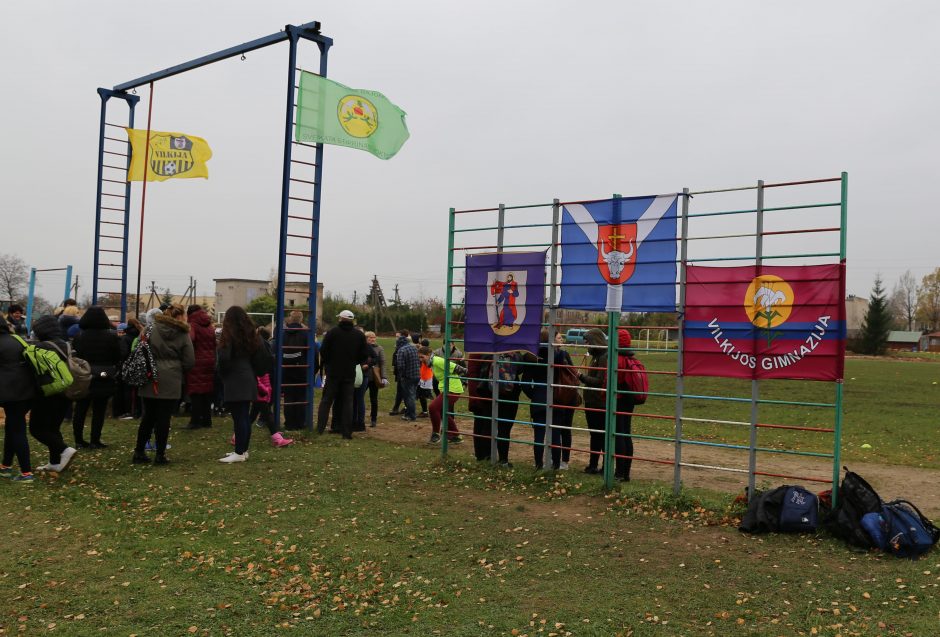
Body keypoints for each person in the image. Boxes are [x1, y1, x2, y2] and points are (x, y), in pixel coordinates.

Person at [133, 304, 194, 465]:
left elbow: (139, 348)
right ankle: (160, 454)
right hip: (171, 378)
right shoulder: (183, 334)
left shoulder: (150, 329)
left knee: (148, 416)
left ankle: (139, 451)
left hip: (150, 376)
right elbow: (189, 360)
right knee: (164, 418)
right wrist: (177, 367)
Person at [217, 307, 272, 462]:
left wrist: (222, 374)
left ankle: (239, 452)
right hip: (249, 376)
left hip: (235, 378)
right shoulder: (252, 335)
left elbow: (224, 358)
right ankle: (243, 450)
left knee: (239, 417)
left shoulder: (228, 336)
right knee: (244, 416)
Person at [29, 315, 78, 473]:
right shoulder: (66, 345)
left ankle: (64, 450)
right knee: (53, 428)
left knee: (36, 429)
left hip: (47, 392)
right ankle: (55, 462)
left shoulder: (41, 347)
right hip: (65, 391)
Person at [522, 329, 575, 470]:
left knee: (538, 436)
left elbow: (525, 383)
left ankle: (539, 465)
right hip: (557, 398)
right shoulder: (561, 355)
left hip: (539, 399)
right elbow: (570, 376)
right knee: (556, 435)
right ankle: (556, 465)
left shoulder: (531, 356)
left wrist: (534, 394)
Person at [71, 305, 122, 448]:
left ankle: (79, 440)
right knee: (100, 409)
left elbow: (76, 356)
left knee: (81, 409)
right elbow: (117, 355)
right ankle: (95, 439)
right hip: (104, 375)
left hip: (84, 376)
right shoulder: (111, 335)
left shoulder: (79, 336)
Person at [316, 310, 369, 439]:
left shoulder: (332, 333)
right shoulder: (359, 335)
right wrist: (353, 362)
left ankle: (320, 429)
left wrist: (330, 363)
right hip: (349, 372)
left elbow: (323, 351)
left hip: (333, 372)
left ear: (340, 319)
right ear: (352, 320)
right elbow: (364, 355)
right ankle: (346, 432)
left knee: (326, 400)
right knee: (348, 402)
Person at [0, 320, 36, 481]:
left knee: (17, 430)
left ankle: (26, 473)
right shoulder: (17, 339)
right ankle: (5, 466)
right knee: (13, 426)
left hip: (8, 391)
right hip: (25, 389)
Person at [248, 326, 293, 447]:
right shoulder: (263, 346)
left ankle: (237, 436)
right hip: (261, 382)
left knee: (255, 412)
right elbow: (266, 364)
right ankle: (277, 438)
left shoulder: (259, 345)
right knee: (265, 411)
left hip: (262, 381)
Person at [419, 346, 467, 444]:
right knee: (441, 412)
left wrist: (465, 381)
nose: (420, 360)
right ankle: (456, 435)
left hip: (452, 389)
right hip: (447, 389)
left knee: (432, 407)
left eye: (422, 357)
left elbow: (459, 369)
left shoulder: (437, 361)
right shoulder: (431, 363)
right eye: (419, 357)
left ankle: (436, 434)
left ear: (428, 355)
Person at [578, 328, 608, 475]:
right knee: (595, 435)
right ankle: (593, 465)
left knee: (600, 435)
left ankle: (605, 466)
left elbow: (600, 381)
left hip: (599, 403)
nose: (586, 345)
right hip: (591, 402)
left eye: (588, 342)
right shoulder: (596, 356)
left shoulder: (604, 357)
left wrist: (582, 377)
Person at [185, 304, 216, 429]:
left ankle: (195, 421)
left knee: (196, 392)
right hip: (210, 361)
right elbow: (214, 343)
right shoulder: (209, 325)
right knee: (206, 392)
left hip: (197, 362)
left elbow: (190, 339)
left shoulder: (193, 324)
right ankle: (207, 420)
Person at [613, 329, 637, 482]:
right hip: (629, 400)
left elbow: (610, 380)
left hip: (619, 399)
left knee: (619, 435)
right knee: (626, 434)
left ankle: (619, 472)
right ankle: (626, 472)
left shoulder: (618, 359)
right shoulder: (631, 358)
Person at [281, 310, 310, 430]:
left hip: (286, 368)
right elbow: (312, 352)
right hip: (302, 368)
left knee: (288, 396)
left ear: (290, 318)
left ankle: (289, 423)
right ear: (301, 320)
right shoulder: (306, 333)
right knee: (301, 397)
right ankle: (300, 422)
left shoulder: (283, 333)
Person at [394, 331, 420, 422]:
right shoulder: (414, 348)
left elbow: (400, 366)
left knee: (409, 397)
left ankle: (411, 415)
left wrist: (401, 376)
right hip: (417, 375)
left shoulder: (401, 350)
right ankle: (409, 413)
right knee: (412, 395)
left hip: (407, 377)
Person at [364, 331, 387, 427]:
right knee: (359, 397)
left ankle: (374, 419)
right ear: (366, 338)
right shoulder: (362, 348)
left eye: (374, 337)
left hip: (374, 377)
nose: (372, 339)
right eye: (370, 337)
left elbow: (383, 363)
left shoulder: (379, 348)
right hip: (364, 376)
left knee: (374, 399)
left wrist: (384, 376)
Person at [388, 330, 405, 415]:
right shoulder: (398, 347)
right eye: (396, 336)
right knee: (402, 391)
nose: (396, 338)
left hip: (403, 374)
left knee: (401, 391)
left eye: (398, 337)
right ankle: (402, 407)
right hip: (399, 373)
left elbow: (399, 362)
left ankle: (397, 408)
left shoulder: (402, 348)